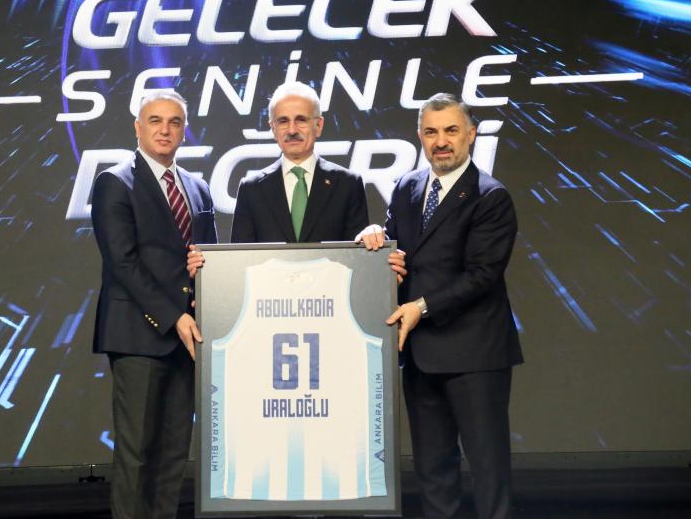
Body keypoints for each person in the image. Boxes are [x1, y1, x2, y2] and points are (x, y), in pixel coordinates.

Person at [359, 93, 523, 519]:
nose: (441, 141)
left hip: (475, 356)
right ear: (420, 136)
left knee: (489, 472)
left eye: (451, 130)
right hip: (421, 357)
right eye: (431, 132)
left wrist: (421, 307)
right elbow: (396, 253)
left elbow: (482, 275)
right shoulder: (407, 187)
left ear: (471, 134)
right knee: (433, 473)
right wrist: (375, 239)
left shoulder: (491, 196)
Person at [91, 90, 217, 519]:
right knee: (137, 452)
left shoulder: (198, 188)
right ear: (138, 128)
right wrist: (173, 317)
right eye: (155, 121)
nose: (165, 130)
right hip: (139, 335)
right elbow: (122, 262)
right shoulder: (114, 182)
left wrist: (204, 274)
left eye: (175, 122)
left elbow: (209, 259)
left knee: (173, 453)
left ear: (184, 129)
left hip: (189, 338)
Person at [188, 81, 404, 278]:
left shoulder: (347, 184)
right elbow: (241, 261)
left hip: (330, 301)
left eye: (301, 120)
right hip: (269, 302)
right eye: (283, 121)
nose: (292, 130)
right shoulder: (251, 188)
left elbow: (359, 258)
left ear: (318, 125)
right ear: (273, 128)